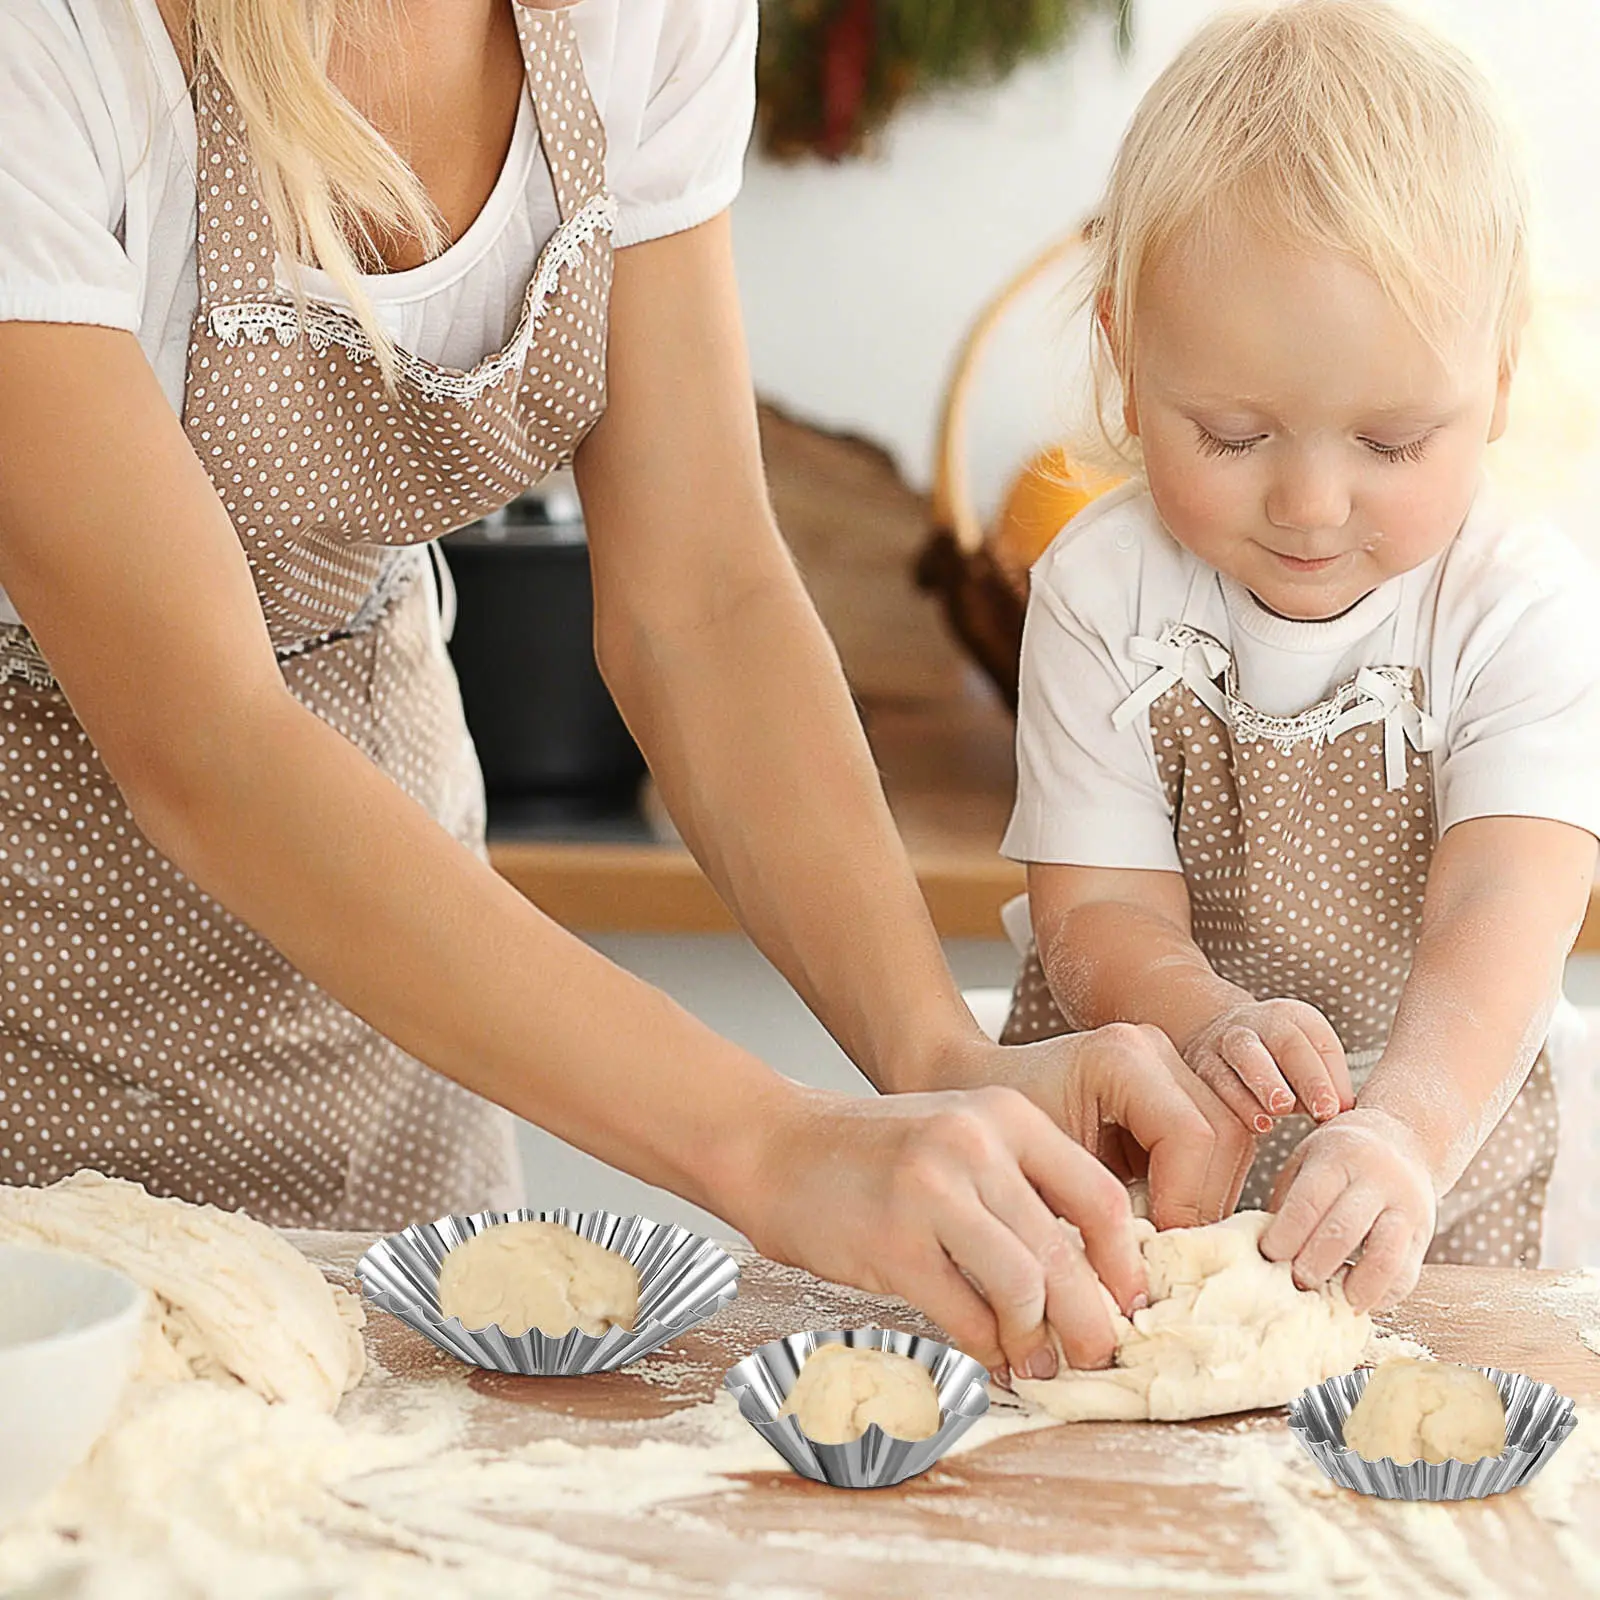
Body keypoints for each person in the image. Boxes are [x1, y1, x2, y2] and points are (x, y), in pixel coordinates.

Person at [0, 0, 1256, 1384]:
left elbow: (700, 602)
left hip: (395, 945)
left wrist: (938, 1055)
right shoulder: (50, 46)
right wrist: (775, 1145)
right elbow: (206, 739)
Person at [1000, 0, 1600, 1314]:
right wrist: (1204, 1020)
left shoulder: (1519, 607)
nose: (1312, 507)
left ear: (1498, 374)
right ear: (1125, 354)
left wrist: (1406, 1132)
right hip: (1142, 1148)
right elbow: (1094, 912)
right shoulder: (1100, 589)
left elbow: (1508, 902)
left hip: (1441, 1161)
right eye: (1231, 434)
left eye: (1391, 443)